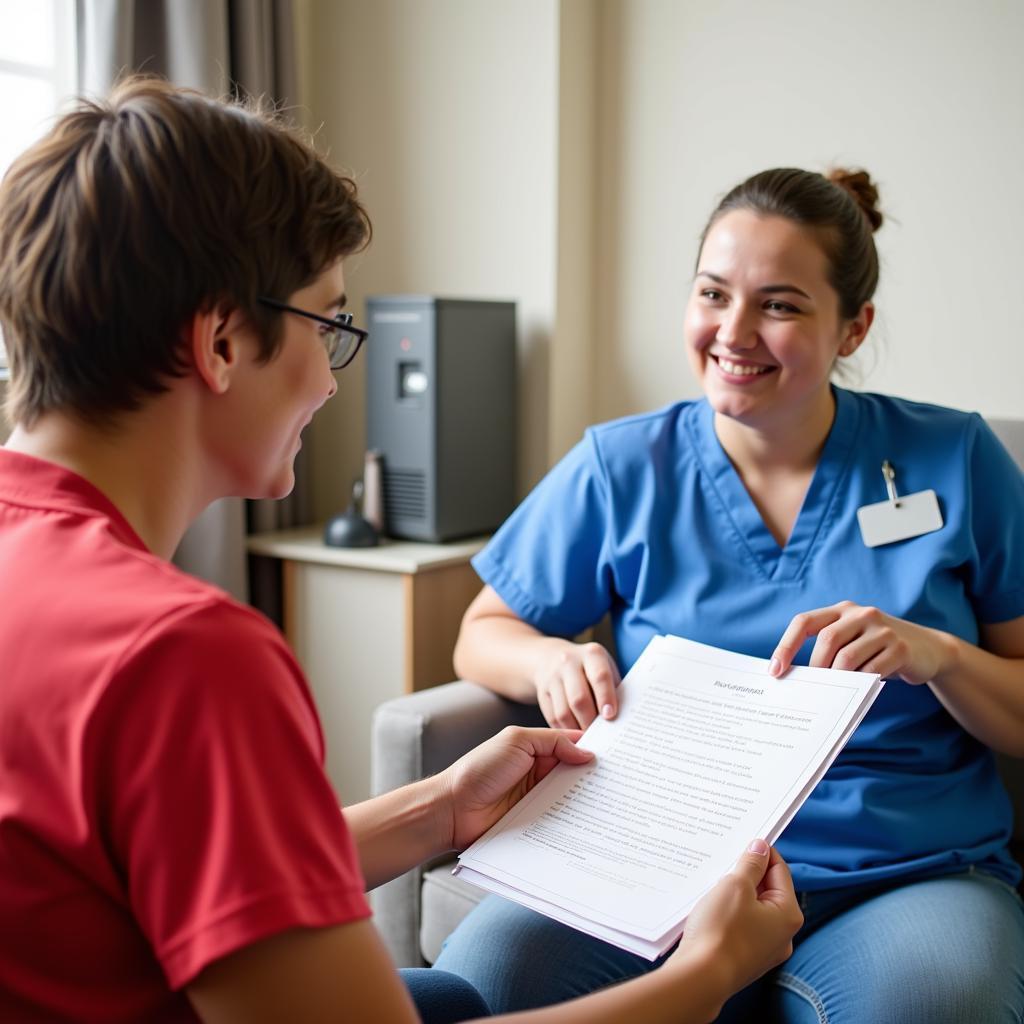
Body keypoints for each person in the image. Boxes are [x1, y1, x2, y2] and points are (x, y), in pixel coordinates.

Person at [0, 77, 803, 1023]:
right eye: (330, 325)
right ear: (220, 342)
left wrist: (438, 811)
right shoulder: (185, 656)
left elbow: (166, 874)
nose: (334, 383)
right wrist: (700, 979)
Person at [437, 167, 1024, 1022]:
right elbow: (483, 632)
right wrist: (549, 659)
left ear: (852, 327)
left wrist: (941, 656)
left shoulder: (956, 457)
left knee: (935, 1006)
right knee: (488, 979)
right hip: (650, 859)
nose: (734, 332)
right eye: (714, 294)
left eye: (780, 305)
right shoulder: (623, 465)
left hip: (901, 873)